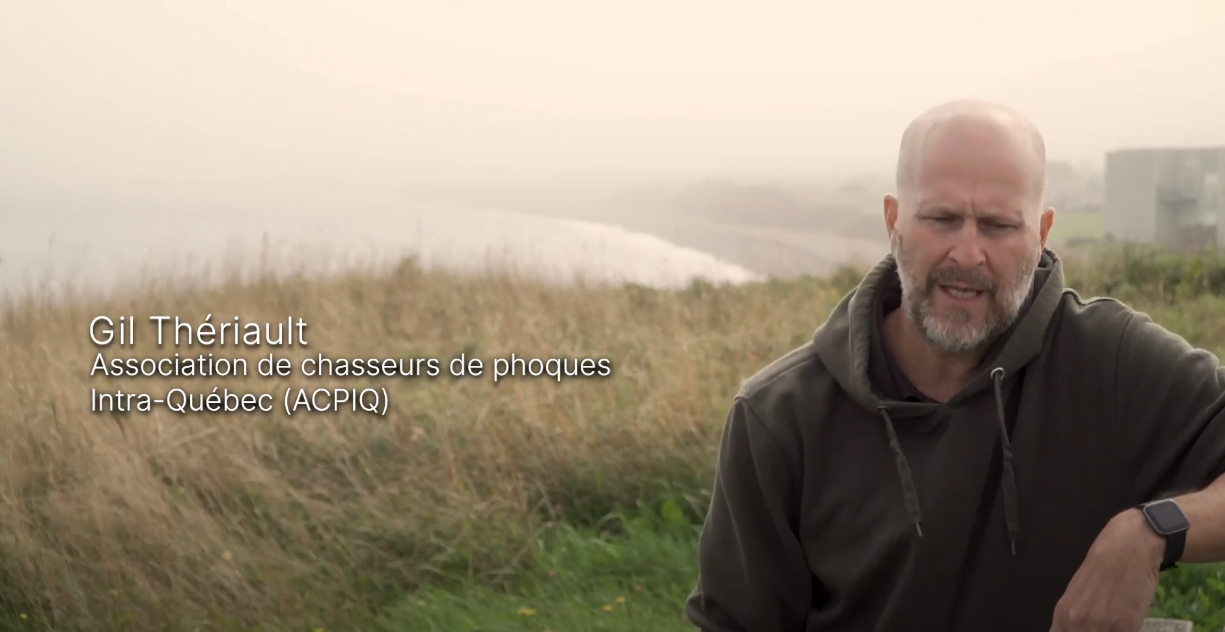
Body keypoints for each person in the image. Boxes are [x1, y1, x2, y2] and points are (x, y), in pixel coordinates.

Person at [683, 99, 1225, 632]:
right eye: (942, 219)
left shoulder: (1111, 363)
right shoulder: (778, 417)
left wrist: (1150, 531)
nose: (967, 254)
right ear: (893, 221)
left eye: (997, 225)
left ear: (1042, 234)